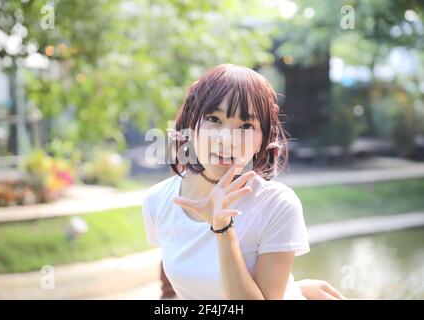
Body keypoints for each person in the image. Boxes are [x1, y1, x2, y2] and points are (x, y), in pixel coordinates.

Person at [142, 64, 345, 299]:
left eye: (246, 126)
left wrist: (223, 228)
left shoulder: (277, 204)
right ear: (191, 124)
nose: (226, 139)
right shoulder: (158, 200)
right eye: (213, 119)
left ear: (263, 140)